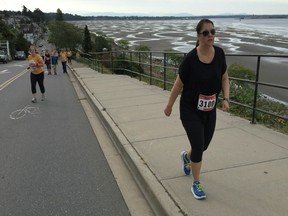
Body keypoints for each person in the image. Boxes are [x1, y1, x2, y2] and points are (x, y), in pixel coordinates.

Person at [164, 19, 230, 200]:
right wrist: (169, 106)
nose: (210, 35)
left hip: (209, 110)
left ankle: (186, 156)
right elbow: (178, 85)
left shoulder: (220, 54)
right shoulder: (190, 59)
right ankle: (196, 183)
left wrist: (225, 98)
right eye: (206, 33)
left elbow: (224, 78)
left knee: (203, 145)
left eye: (213, 32)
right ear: (198, 36)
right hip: (190, 109)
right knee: (199, 146)